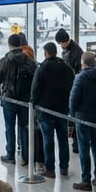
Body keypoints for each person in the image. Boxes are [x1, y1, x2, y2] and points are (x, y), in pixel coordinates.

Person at [69, 52, 96, 192]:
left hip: (83, 116)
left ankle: (85, 180)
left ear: (84, 63)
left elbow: (73, 98)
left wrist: (72, 115)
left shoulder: (80, 77)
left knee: (83, 148)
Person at [31, 42, 74, 178]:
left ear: (46, 53)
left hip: (46, 109)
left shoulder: (42, 68)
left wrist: (34, 103)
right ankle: (64, 167)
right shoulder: (67, 68)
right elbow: (72, 86)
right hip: (62, 108)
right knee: (63, 139)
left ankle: (50, 169)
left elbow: (36, 89)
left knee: (48, 140)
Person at [0, 33, 38, 165]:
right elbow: (36, 78)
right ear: (21, 44)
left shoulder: (4, 61)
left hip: (9, 99)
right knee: (24, 127)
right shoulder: (29, 60)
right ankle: (25, 156)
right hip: (25, 100)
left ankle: (10, 155)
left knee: (9, 127)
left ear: (9, 45)